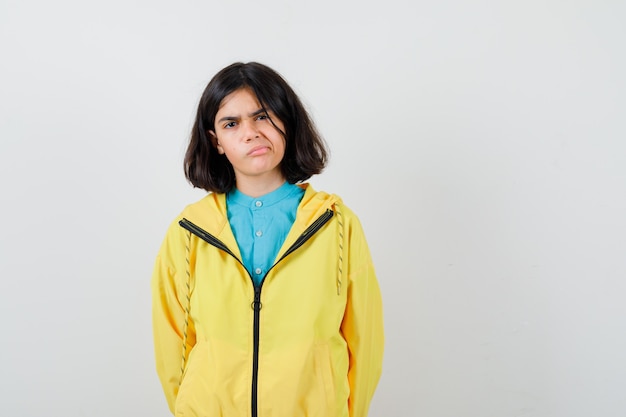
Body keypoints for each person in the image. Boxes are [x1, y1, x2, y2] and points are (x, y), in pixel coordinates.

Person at [151, 62, 384, 417]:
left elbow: (364, 341)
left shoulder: (337, 225)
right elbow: (173, 348)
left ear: (287, 123)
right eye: (231, 123)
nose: (250, 133)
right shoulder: (188, 232)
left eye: (262, 116)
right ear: (216, 142)